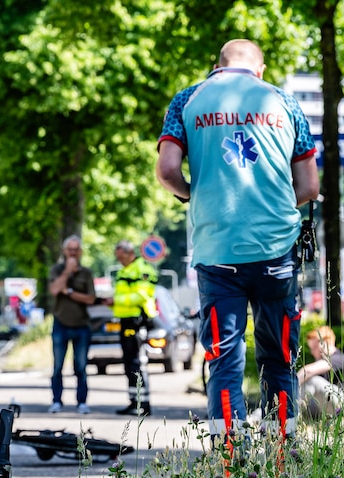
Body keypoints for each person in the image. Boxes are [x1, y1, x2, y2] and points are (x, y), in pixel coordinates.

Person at [154, 39, 320, 443]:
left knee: (224, 360)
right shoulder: (284, 102)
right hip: (275, 251)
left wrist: (196, 195)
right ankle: (282, 458)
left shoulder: (188, 100)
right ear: (259, 70)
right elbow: (310, 185)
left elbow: (167, 170)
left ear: (217, 67)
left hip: (216, 251)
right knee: (279, 358)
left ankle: (232, 464)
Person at [104, 240, 158, 416]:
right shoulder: (123, 271)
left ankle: (143, 404)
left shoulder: (141, 270)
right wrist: (112, 303)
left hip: (137, 321)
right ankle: (134, 402)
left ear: (129, 253)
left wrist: (116, 301)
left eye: (121, 257)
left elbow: (141, 295)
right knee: (129, 363)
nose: (119, 260)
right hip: (126, 320)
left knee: (137, 362)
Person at [47, 235, 97, 415]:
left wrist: (68, 291)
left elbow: (90, 299)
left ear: (81, 251)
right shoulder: (57, 270)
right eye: (70, 249)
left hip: (82, 325)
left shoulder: (86, 273)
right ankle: (56, 401)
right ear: (64, 251)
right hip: (60, 324)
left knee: (81, 366)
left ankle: (82, 402)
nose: (73, 253)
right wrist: (67, 272)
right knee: (57, 366)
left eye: (76, 249)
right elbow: (53, 290)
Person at [296, 326, 344, 419]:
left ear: (324, 343)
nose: (312, 352)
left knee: (312, 381)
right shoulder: (325, 362)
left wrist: (289, 385)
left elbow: (307, 371)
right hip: (327, 406)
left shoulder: (340, 358)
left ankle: (289, 418)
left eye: (314, 347)